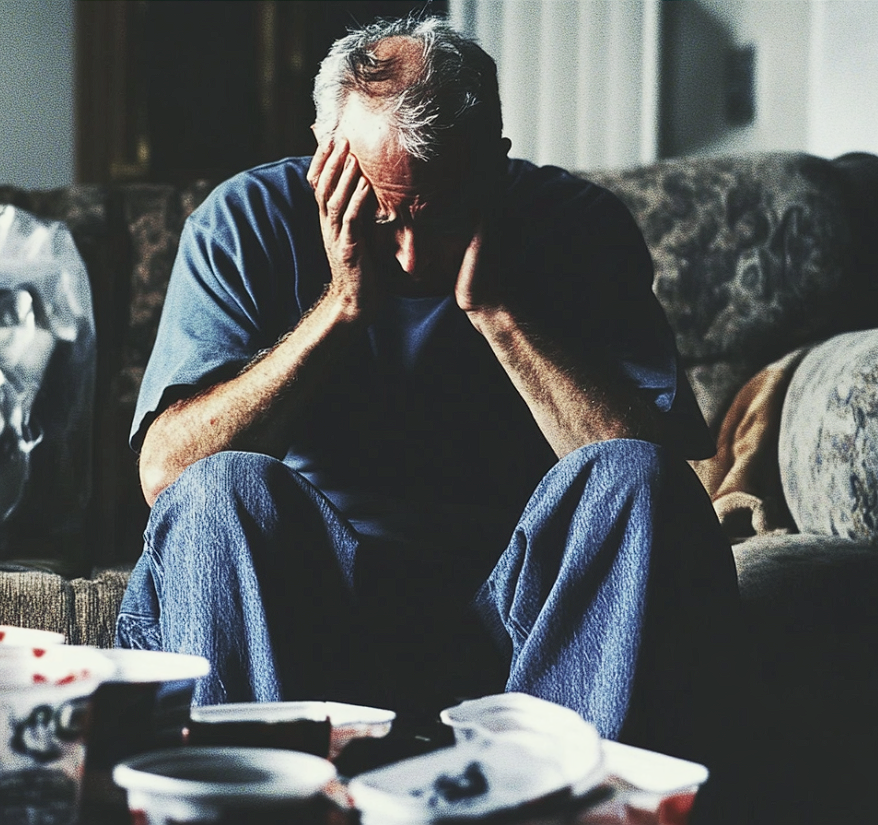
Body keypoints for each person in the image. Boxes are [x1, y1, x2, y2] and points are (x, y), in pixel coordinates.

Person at [116, 15, 741, 772]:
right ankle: (263, 797)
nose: (409, 256)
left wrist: (501, 314)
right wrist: (341, 309)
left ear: (495, 166)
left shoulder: (579, 226)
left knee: (632, 477)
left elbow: (659, 478)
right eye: (380, 218)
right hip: (303, 617)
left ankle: (552, 801)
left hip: (520, 626)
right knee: (218, 489)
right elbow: (165, 474)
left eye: (439, 214)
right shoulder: (243, 222)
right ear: (325, 162)